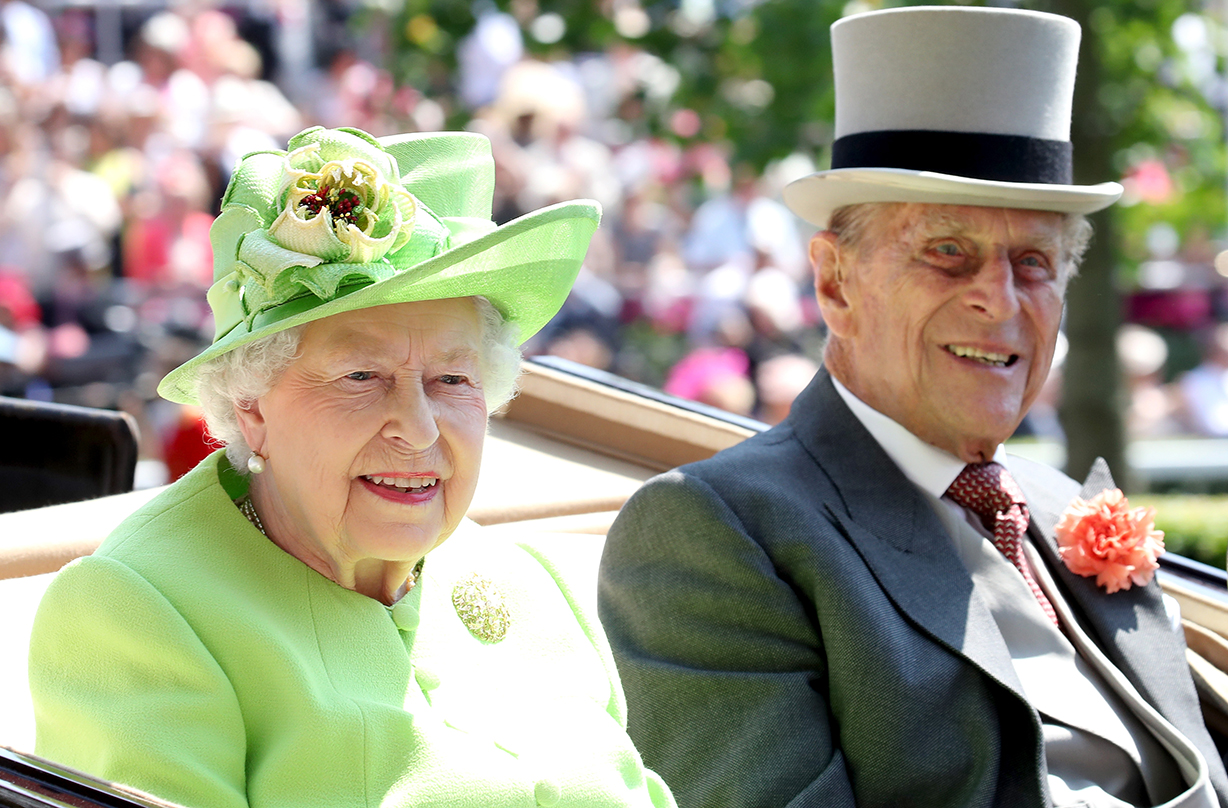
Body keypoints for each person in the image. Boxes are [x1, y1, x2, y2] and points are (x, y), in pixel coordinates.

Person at [599, 8, 1228, 808]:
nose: (998, 302)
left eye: (1033, 262)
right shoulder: (718, 531)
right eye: (948, 253)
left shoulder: (1060, 506)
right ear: (834, 282)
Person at [30, 125, 675, 808]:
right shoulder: (137, 612)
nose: (419, 428)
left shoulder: (532, 582)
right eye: (361, 375)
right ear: (252, 408)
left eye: (453, 380)